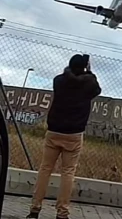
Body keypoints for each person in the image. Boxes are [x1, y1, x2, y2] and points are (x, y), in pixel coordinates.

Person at [26, 54, 101, 219]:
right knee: (68, 172)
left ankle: (35, 209)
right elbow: (97, 88)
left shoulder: (58, 81)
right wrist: (90, 71)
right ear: (84, 67)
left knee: (45, 169)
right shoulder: (89, 84)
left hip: (54, 131)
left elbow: (67, 78)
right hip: (74, 134)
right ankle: (62, 213)